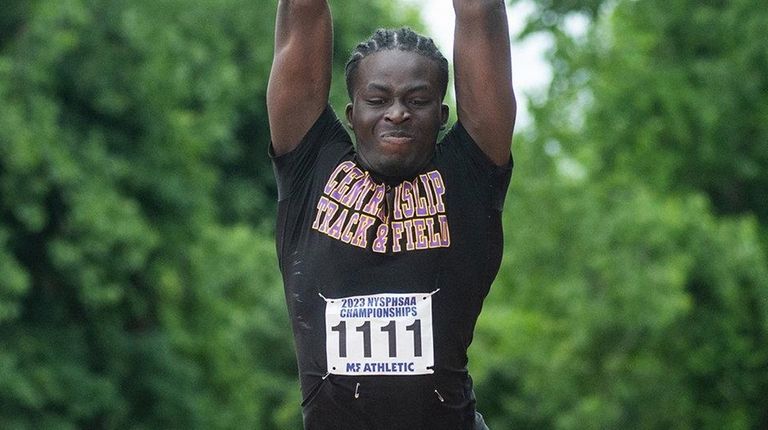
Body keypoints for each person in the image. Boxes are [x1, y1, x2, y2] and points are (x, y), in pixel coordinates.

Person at [267, 0, 515, 428]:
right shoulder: (311, 167)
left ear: (441, 116)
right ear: (352, 114)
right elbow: (301, 12)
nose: (397, 113)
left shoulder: (469, 178)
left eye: (417, 100)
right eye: (377, 99)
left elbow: (480, 12)